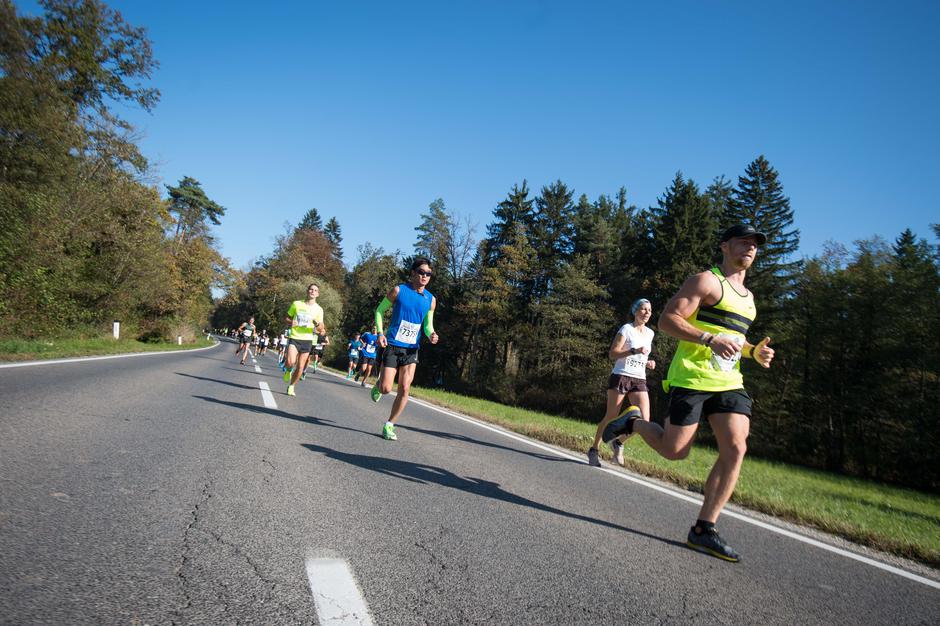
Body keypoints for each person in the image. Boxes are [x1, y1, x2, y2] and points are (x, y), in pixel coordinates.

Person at [606, 224, 775, 562]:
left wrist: (752, 351)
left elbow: (734, 339)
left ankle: (703, 529)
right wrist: (709, 339)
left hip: (729, 382)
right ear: (724, 246)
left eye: (755, 244)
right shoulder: (705, 281)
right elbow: (668, 320)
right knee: (675, 451)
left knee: (736, 447)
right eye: (743, 242)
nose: (750, 248)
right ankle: (633, 423)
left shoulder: (749, 299)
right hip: (692, 377)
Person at [372, 257, 438, 440]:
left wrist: (432, 334)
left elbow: (427, 326)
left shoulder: (431, 299)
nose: (425, 276)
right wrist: (380, 334)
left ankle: (390, 425)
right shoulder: (399, 290)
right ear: (413, 273)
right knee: (386, 388)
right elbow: (379, 311)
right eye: (421, 272)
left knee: (405, 387)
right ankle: (378, 385)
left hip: (411, 349)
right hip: (393, 345)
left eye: (428, 274)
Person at [587, 298, 656, 467]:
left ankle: (618, 442)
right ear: (635, 311)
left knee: (645, 421)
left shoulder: (650, 333)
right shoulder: (626, 329)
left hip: (639, 378)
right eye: (643, 309)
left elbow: (642, 356)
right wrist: (633, 351)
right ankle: (594, 450)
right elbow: (613, 354)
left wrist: (648, 362)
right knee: (611, 416)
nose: (647, 313)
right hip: (621, 376)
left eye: (649, 310)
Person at [282, 283, 325, 397]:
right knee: (290, 362)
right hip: (295, 337)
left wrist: (317, 324)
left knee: (301, 367)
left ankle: (292, 386)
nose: (312, 291)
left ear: (318, 294)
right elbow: (286, 317)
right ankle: (288, 370)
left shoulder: (319, 309)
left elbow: (321, 327)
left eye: (315, 290)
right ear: (307, 291)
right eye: (311, 289)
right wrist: (291, 322)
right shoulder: (296, 304)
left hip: (307, 340)